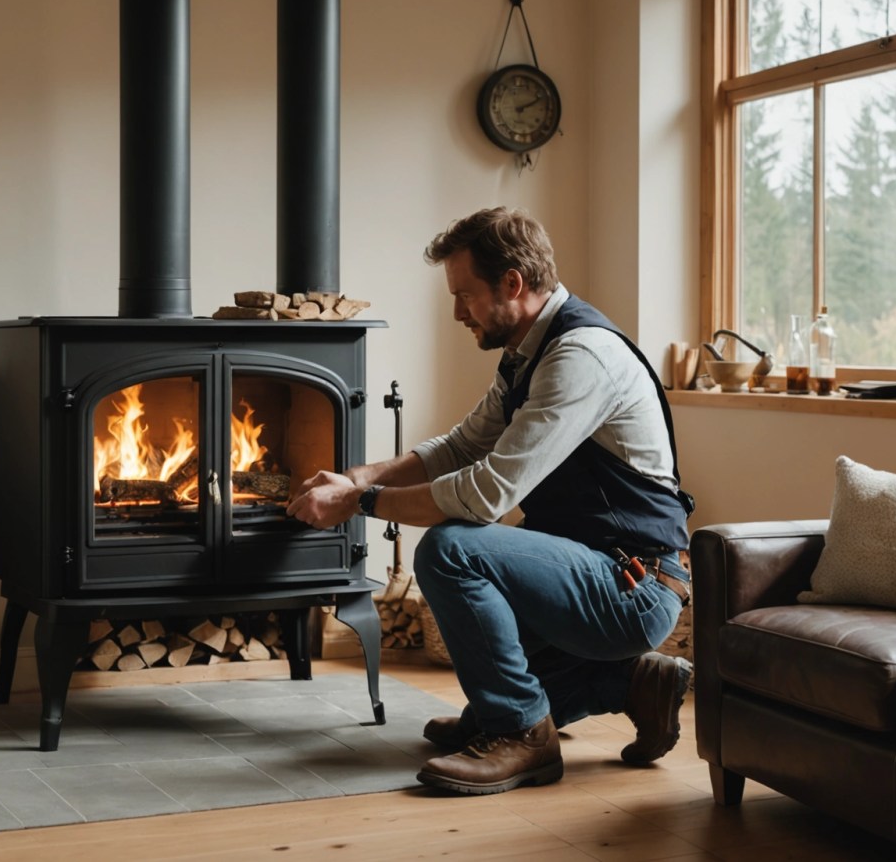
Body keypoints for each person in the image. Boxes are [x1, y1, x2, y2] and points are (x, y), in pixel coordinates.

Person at [286, 206, 694, 796]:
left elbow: (485, 494)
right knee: (488, 702)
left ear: (512, 283)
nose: (457, 312)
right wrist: (355, 476)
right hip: (588, 569)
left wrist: (361, 502)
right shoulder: (529, 351)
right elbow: (461, 446)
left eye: (464, 295)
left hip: (632, 586)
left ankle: (522, 737)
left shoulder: (579, 358)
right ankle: (629, 683)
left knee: (452, 549)